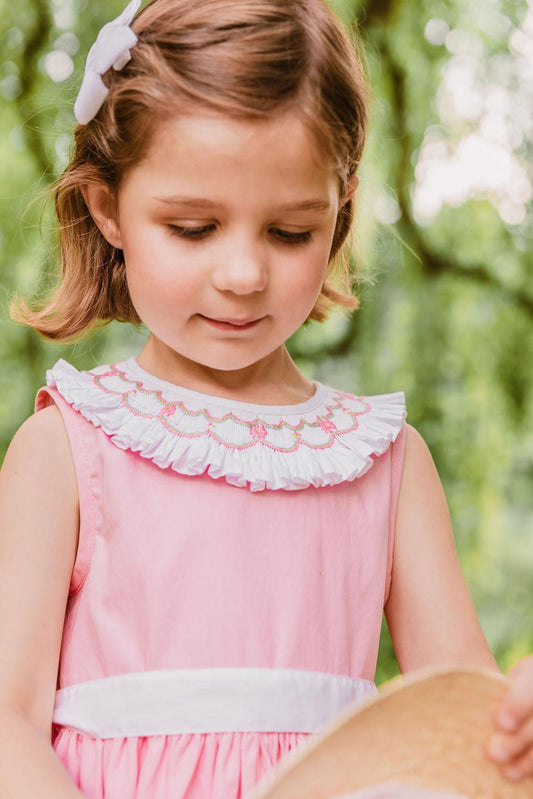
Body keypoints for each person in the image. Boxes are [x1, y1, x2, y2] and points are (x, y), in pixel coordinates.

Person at [0, 0, 532, 797]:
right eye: (193, 227)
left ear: (339, 211)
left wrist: (515, 723)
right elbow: (7, 720)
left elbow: (461, 728)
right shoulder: (67, 448)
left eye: (289, 233)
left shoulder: (384, 461)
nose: (244, 274)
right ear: (108, 208)